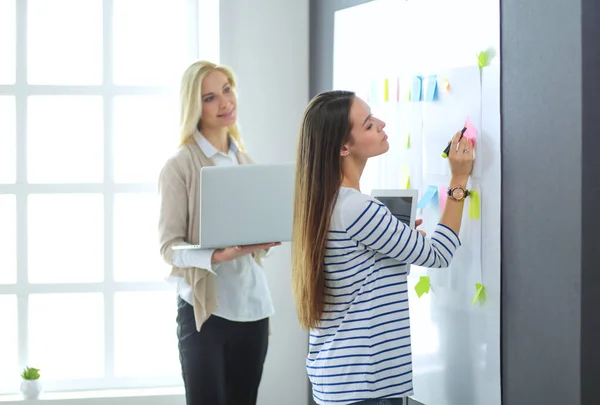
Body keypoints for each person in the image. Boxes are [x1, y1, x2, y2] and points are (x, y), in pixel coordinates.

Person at [291, 90, 475, 405]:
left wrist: (396, 239)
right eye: (368, 124)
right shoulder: (357, 208)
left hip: (340, 379)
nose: (381, 124)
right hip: (365, 385)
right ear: (343, 147)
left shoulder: (324, 203)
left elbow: (361, 277)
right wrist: (459, 179)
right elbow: (438, 254)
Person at [158, 60, 280, 405]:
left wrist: (266, 239)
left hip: (253, 309)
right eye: (210, 97)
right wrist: (217, 254)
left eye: (227, 90)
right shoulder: (179, 166)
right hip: (205, 314)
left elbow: (260, 247)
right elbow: (169, 248)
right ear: (195, 107)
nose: (225, 103)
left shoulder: (248, 164)